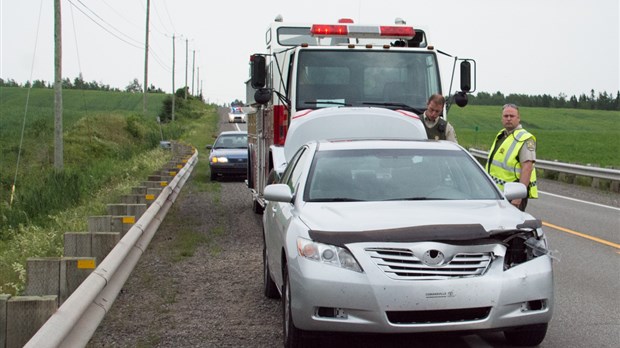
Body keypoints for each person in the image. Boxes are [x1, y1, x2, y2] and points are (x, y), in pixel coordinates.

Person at [486, 103, 538, 211]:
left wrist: (518, 196)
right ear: (502, 118)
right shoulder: (501, 135)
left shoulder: (525, 138)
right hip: (497, 193)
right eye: (506, 116)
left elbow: (527, 168)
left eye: (512, 116)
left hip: (513, 195)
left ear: (518, 118)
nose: (508, 119)